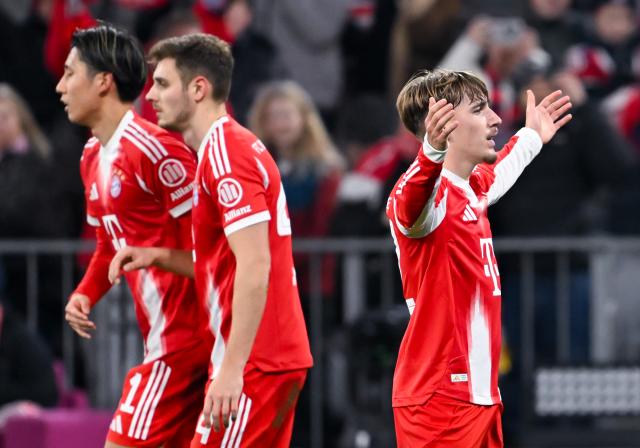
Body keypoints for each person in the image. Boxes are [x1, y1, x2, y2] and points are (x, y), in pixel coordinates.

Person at [109, 33, 313, 447]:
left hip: (255, 361)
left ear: (198, 88)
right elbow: (226, 262)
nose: (151, 95)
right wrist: (158, 255)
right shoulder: (225, 149)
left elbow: (256, 265)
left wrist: (232, 368)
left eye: (163, 83)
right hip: (268, 357)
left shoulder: (226, 152)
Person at [387, 69, 572, 447]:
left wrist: (533, 135)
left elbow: (503, 168)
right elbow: (410, 203)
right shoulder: (424, 201)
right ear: (444, 124)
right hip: (439, 401)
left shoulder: (472, 189)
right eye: (479, 109)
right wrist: (431, 155)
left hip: (480, 398)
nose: (496, 119)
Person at [56, 24, 211, 448]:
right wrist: (87, 292)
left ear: (103, 81)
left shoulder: (159, 152)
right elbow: (111, 244)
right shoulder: (92, 157)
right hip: (166, 341)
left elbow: (211, 251)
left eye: (70, 73)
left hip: (187, 343)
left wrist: (157, 256)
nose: (60, 86)